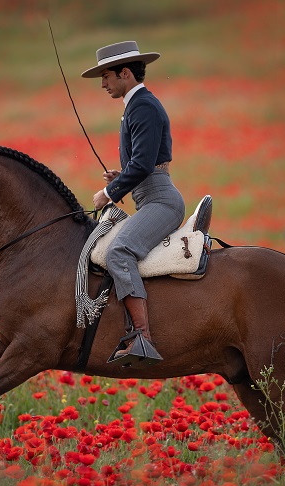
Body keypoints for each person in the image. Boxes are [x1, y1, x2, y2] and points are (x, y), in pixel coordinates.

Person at [81, 41, 185, 363]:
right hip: (149, 198)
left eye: (106, 76)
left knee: (119, 250)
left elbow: (142, 167)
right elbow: (143, 163)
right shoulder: (136, 106)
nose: (103, 83)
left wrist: (108, 194)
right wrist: (121, 176)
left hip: (161, 202)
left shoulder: (142, 107)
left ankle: (142, 337)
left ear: (125, 73)